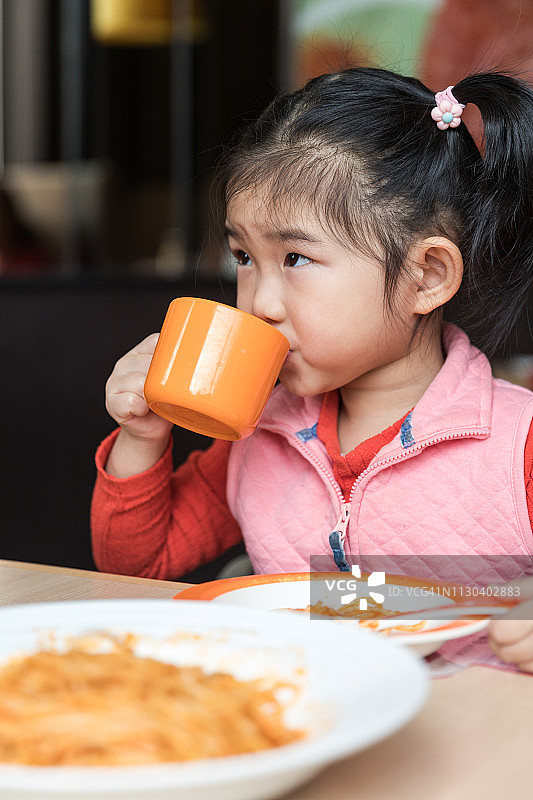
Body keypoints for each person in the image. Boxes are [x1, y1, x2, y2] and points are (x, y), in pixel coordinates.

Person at [91, 67, 533, 670]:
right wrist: (142, 437)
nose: (260, 302)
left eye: (295, 257)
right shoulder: (261, 433)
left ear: (425, 276)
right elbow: (137, 567)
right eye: (244, 257)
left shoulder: (519, 446)